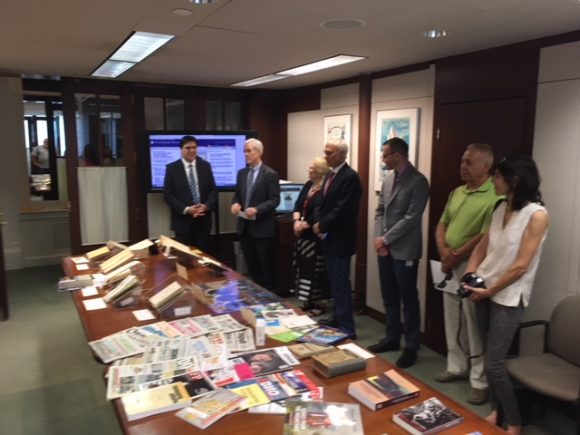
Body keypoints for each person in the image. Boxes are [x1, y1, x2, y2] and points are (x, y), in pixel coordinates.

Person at [462, 155, 549, 435]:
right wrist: (470, 274)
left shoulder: (536, 215)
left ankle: (514, 423)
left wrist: (490, 290)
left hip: (509, 296)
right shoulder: (501, 207)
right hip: (483, 289)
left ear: (515, 180)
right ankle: (496, 411)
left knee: (495, 363)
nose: (493, 181)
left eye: (497, 177)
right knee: (489, 356)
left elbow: (521, 265)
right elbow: (482, 246)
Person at [434, 143, 503, 405]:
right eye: (462, 160)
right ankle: (456, 366)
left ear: (486, 166)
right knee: (451, 317)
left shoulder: (495, 195)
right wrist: (444, 250)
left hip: (473, 266)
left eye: (469, 162)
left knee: (473, 322)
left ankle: (479, 380)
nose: (463, 166)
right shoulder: (457, 191)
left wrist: (457, 254)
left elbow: (485, 235)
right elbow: (442, 223)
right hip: (448, 263)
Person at [367, 137, 429, 369]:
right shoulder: (388, 179)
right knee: (389, 296)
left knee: (408, 299)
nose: (382, 159)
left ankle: (411, 346)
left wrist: (386, 239)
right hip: (385, 248)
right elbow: (380, 210)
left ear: (398, 155)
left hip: (405, 249)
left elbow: (412, 218)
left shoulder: (419, 181)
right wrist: (379, 240)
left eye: (385, 155)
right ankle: (392, 338)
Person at [312, 142, 362, 339]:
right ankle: (337, 317)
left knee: (341, 283)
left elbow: (343, 209)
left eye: (329, 153)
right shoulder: (329, 175)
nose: (326, 156)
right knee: (332, 281)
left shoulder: (350, 177)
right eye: (325, 153)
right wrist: (318, 223)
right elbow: (320, 202)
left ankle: (347, 327)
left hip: (341, 238)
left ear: (341, 154)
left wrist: (322, 225)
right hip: (327, 237)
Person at [231, 138, 281, 293]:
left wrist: (257, 209)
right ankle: (257, 295)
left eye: (249, 151)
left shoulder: (270, 174)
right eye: (244, 151)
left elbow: (274, 200)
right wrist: (235, 204)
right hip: (245, 227)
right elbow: (238, 195)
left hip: (262, 228)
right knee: (252, 266)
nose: (245, 154)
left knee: (266, 267)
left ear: (259, 152)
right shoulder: (242, 173)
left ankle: (270, 297)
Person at [163, 135, 217, 252]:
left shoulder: (205, 166)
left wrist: (206, 206)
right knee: (185, 258)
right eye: (188, 148)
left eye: (194, 147)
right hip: (183, 224)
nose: (192, 150)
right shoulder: (172, 168)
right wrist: (186, 209)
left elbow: (213, 191)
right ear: (181, 150)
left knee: (203, 257)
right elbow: (168, 195)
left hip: (203, 221)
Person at [292, 157, 331, 315]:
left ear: (319, 171)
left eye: (311, 168)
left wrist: (305, 224)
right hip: (303, 236)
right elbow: (298, 205)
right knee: (304, 269)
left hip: (315, 236)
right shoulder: (308, 185)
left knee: (315, 270)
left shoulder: (324, 189)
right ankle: (307, 301)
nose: (308, 170)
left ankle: (318, 304)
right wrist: (296, 222)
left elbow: (321, 212)